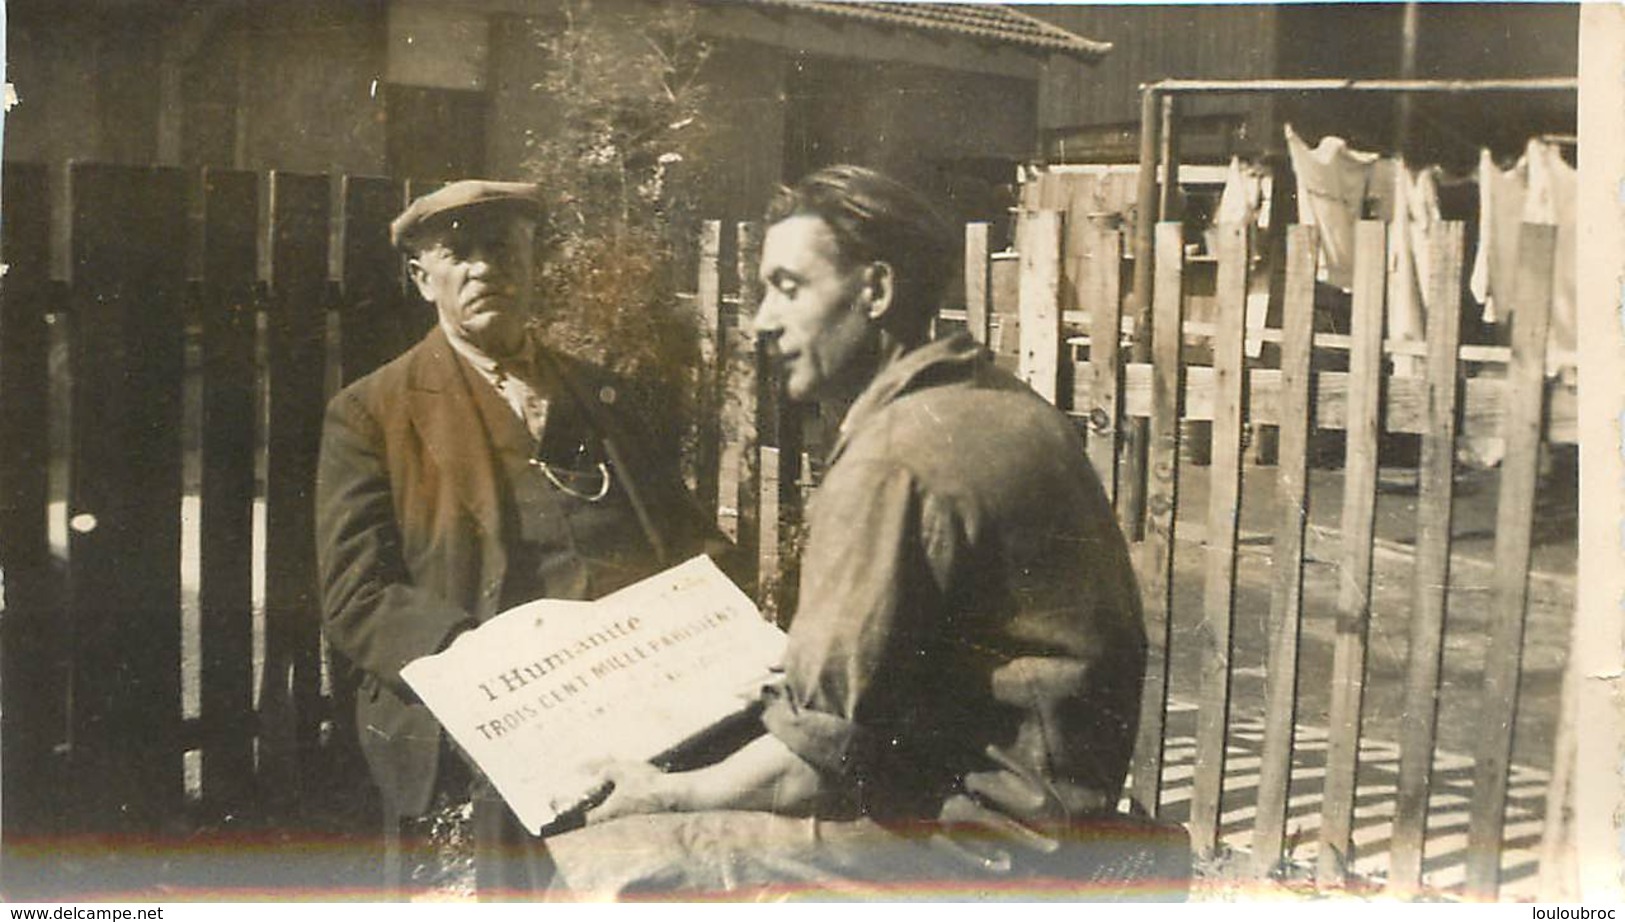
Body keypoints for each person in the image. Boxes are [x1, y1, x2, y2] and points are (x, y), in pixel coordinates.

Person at [540, 165, 1165, 900]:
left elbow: (813, 760)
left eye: (788, 287)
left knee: (599, 864)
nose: (760, 320)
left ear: (875, 290)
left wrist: (662, 794)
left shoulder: (894, 455)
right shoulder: (992, 400)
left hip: (982, 853)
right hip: (1052, 814)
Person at [314, 180, 728, 896]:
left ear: (534, 263)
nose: (485, 269)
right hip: (482, 702)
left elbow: (689, 541)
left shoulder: (604, 396)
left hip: (633, 688)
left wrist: (710, 625)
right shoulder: (371, 413)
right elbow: (357, 595)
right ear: (423, 279)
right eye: (459, 254)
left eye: (503, 249)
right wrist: (488, 665)